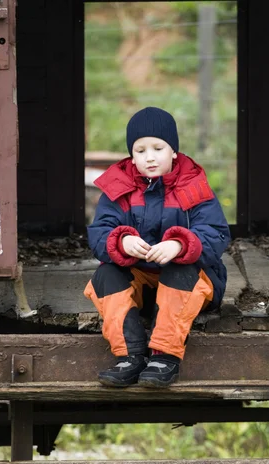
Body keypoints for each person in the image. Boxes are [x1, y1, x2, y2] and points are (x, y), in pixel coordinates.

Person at [84, 106, 231, 388]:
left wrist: (180, 245)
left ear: (173, 150)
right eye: (140, 150)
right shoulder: (119, 188)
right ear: (131, 154)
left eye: (158, 148)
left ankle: (165, 355)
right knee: (105, 275)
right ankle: (130, 355)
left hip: (191, 285)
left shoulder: (193, 185)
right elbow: (99, 233)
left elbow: (216, 233)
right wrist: (122, 241)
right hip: (143, 284)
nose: (149, 157)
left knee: (181, 269)